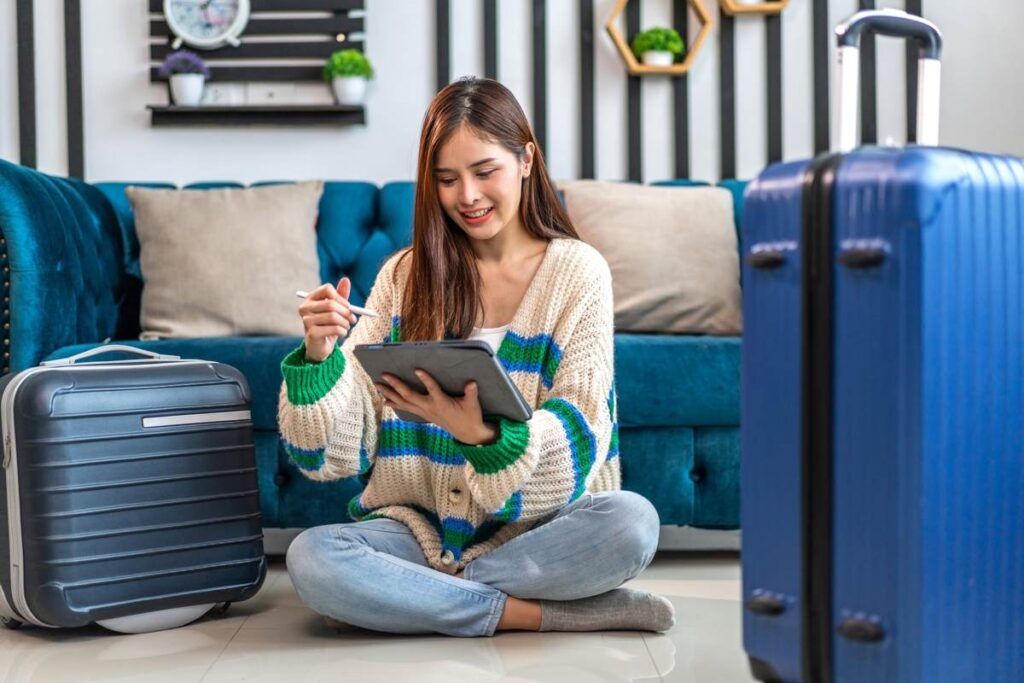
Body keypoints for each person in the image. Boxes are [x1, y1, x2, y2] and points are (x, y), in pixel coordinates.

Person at [279, 77, 673, 637]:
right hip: (420, 531)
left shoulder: (578, 272)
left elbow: (582, 431)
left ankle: (432, 597)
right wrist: (318, 361)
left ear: (526, 160)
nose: (467, 196)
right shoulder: (405, 276)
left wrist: (484, 439)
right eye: (447, 179)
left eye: (484, 172)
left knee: (633, 523)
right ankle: (534, 613)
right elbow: (331, 456)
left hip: (539, 528)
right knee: (313, 557)